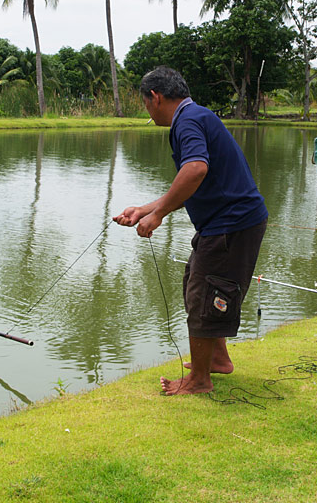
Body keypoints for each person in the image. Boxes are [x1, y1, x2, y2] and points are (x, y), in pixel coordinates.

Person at [113, 66, 267, 396]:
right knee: (198, 282)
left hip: (232, 223)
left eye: (144, 102)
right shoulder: (195, 116)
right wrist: (146, 209)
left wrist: (159, 216)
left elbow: (195, 169)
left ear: (155, 97)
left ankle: (199, 381)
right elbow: (195, 183)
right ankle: (217, 358)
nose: (147, 110)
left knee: (204, 291)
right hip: (228, 222)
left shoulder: (188, 120)